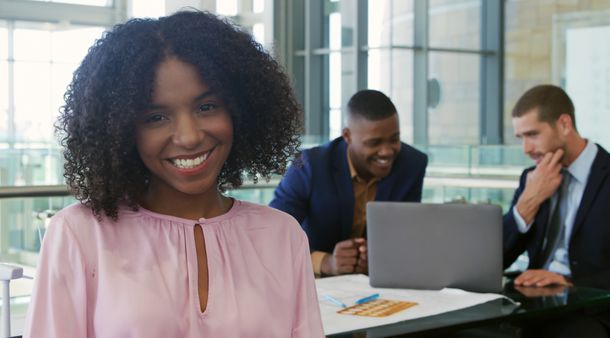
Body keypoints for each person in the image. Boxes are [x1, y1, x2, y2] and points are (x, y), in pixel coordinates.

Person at [23, 11, 323, 338]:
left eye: (206, 107)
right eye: (156, 117)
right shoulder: (81, 234)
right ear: (122, 130)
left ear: (241, 109)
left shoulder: (281, 235)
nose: (189, 136)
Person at [503, 84, 610, 337]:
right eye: (520, 138)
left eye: (532, 134)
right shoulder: (531, 178)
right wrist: (526, 206)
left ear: (564, 124)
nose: (526, 149)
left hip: (596, 311)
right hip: (534, 305)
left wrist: (570, 282)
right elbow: (497, 258)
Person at [270, 89, 428, 277]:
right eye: (374, 143)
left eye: (394, 139)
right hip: (316, 281)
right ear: (347, 136)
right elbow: (272, 237)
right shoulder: (309, 165)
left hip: (379, 282)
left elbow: (406, 234)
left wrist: (379, 256)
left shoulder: (412, 164)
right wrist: (326, 262)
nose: (386, 151)